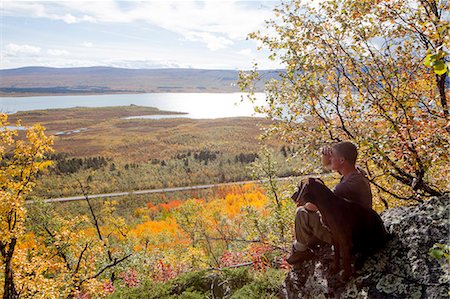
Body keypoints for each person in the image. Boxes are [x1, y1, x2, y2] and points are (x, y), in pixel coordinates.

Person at [286, 141, 372, 268]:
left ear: (342, 160)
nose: (330, 158)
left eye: (332, 156)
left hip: (351, 236)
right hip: (356, 228)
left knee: (302, 213)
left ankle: (300, 251)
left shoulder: (344, 187)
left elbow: (314, 208)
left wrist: (303, 202)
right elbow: (329, 164)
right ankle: (305, 244)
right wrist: (327, 158)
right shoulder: (357, 173)